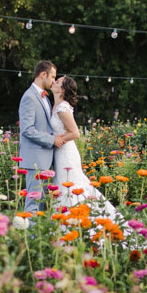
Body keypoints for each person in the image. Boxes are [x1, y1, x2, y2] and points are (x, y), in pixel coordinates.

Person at [49, 76, 124, 223]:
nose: (54, 82)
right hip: (60, 153)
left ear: (62, 89)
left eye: (57, 81)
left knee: (69, 188)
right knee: (63, 186)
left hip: (66, 153)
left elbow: (75, 133)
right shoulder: (55, 105)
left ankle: (78, 221)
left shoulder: (62, 107)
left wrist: (57, 139)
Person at [19, 61, 66, 213]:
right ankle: (29, 237)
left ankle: (35, 235)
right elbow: (27, 129)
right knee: (34, 202)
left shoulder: (45, 97)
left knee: (40, 203)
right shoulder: (29, 97)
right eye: (52, 77)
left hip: (44, 159)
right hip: (35, 160)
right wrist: (52, 140)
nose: (54, 81)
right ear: (43, 74)